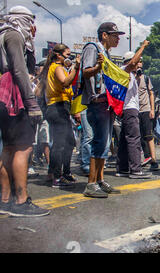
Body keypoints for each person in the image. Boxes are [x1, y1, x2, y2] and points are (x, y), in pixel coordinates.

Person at [0, 6, 49, 217]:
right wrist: (31, 103)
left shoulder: (4, 33)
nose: (32, 27)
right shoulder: (14, 35)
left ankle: (5, 199)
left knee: (9, 148)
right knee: (23, 147)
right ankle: (20, 202)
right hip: (13, 95)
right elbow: (19, 70)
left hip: (4, 94)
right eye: (30, 22)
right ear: (22, 20)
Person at [80, 22, 124, 198]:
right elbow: (86, 72)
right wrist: (98, 67)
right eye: (115, 35)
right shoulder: (93, 48)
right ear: (104, 35)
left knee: (105, 143)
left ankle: (99, 180)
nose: (118, 38)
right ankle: (91, 183)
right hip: (96, 101)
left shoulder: (105, 53)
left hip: (106, 102)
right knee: (99, 142)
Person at [42, 43, 80, 188]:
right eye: (67, 54)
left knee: (69, 142)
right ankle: (57, 177)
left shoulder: (57, 67)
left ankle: (60, 173)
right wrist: (75, 67)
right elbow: (65, 82)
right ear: (59, 55)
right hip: (57, 108)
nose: (69, 57)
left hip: (59, 107)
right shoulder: (57, 67)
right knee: (59, 144)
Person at [115, 45, 153, 179]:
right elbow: (132, 63)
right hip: (129, 109)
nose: (139, 64)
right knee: (134, 139)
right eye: (138, 61)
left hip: (128, 109)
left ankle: (123, 168)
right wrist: (143, 46)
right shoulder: (124, 70)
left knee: (125, 141)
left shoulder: (130, 74)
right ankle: (136, 170)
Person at [136, 58, 159, 171]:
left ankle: (154, 160)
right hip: (135, 110)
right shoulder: (130, 78)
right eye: (137, 64)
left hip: (145, 109)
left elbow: (151, 93)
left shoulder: (146, 78)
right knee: (139, 136)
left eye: (141, 63)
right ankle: (146, 157)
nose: (139, 67)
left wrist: (152, 109)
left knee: (149, 135)